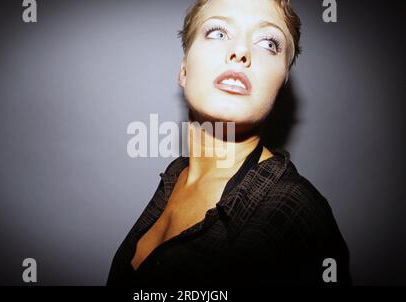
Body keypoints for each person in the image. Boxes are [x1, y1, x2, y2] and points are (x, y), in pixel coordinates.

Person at [107, 0, 351, 287]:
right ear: (184, 70)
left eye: (269, 43)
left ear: (281, 83)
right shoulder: (175, 177)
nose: (241, 51)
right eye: (218, 33)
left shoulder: (297, 213)